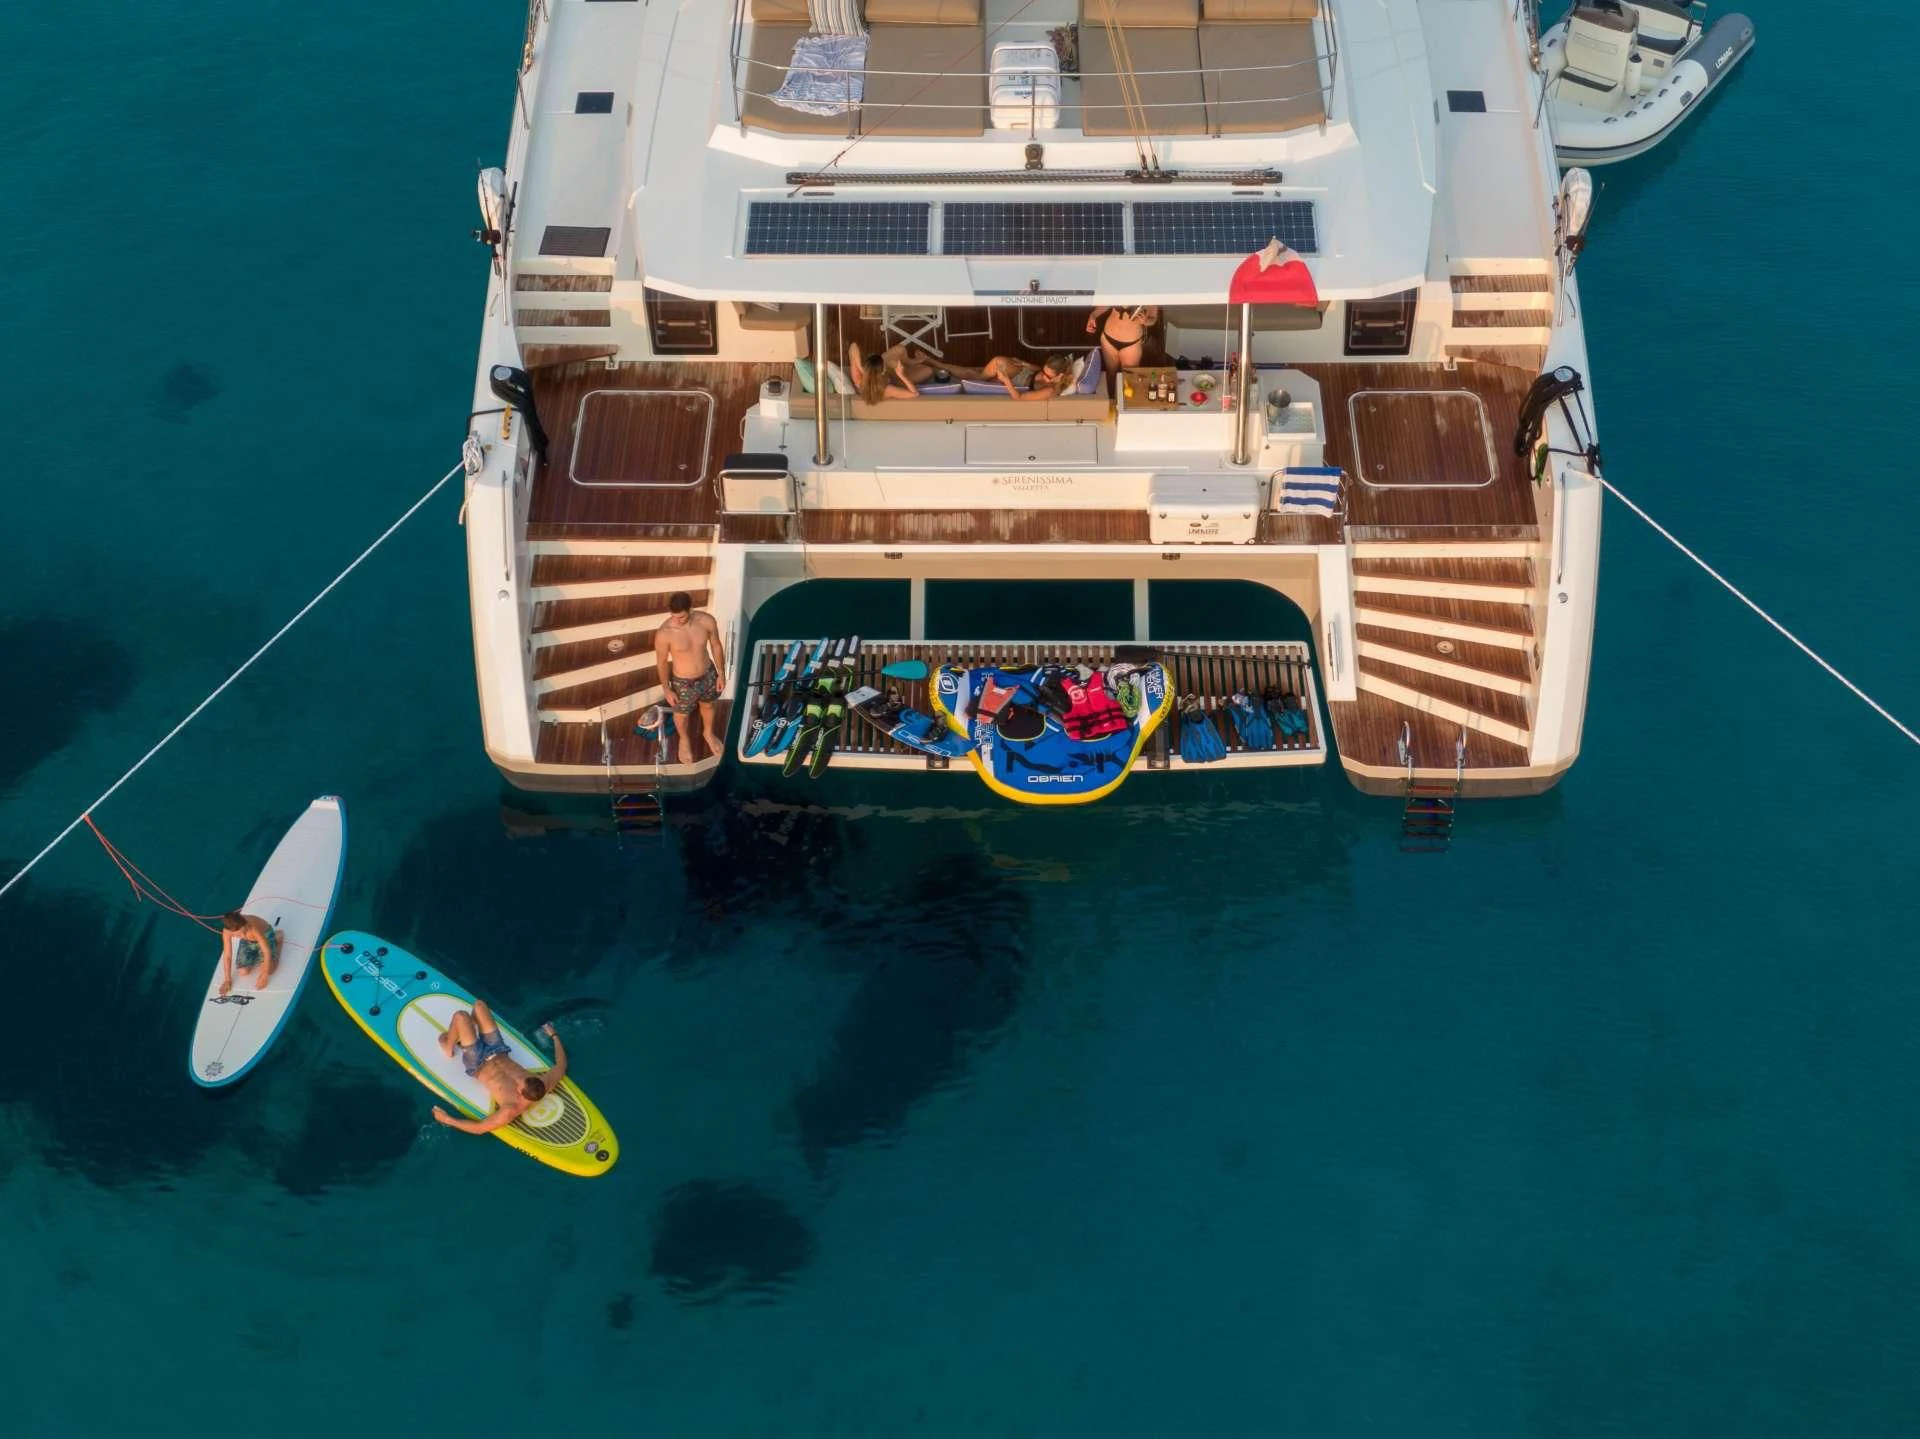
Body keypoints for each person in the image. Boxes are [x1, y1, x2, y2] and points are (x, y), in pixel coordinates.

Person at [431, 1004, 569, 1136]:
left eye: (520, 1083)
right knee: (479, 1006)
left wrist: (447, 1119)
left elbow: (479, 1129)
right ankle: (467, 1031)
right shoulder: (541, 1083)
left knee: (461, 1016)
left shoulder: (510, 1108)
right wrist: (554, 1035)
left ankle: (448, 1046)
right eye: (524, 1078)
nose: (518, 1081)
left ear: (520, 1093)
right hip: (498, 1049)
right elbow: (561, 1065)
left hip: (478, 1062)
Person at [653, 591, 726, 764]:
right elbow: (661, 663)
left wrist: (721, 674)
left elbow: (716, 645)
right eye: (673, 616)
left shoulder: (706, 621)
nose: (677, 620)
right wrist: (666, 689)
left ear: (690, 609)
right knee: (682, 714)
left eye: (681, 617)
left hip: (708, 674)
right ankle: (684, 740)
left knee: (708, 705)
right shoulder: (664, 633)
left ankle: (708, 733)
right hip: (683, 683)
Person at [216, 910, 281, 995]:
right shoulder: (226, 932)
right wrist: (227, 980)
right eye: (237, 935)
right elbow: (227, 955)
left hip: (265, 935)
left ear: (246, 925)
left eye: (244, 931)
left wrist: (264, 975)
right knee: (242, 971)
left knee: (269, 970)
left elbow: (266, 951)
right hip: (248, 941)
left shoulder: (253, 927)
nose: (242, 935)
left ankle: (278, 940)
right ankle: (257, 955)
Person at [848, 341, 934, 403]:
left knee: (900, 349)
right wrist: (901, 375)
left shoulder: (859, 380)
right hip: (898, 380)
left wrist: (862, 369)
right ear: (883, 370)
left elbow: (853, 346)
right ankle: (913, 362)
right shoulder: (886, 390)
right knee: (928, 370)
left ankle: (912, 362)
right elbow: (915, 394)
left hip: (889, 373)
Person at [1086, 304, 1160, 372]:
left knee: (1128, 377)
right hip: (1108, 340)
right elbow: (1106, 304)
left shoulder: (1148, 294)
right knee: (1111, 375)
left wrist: (1145, 321)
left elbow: (1153, 319)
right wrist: (1094, 315)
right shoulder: (1117, 292)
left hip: (1131, 345)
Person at [975, 353, 1076, 402]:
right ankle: (978, 377)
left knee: (996, 363)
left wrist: (1006, 380)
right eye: (1043, 371)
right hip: (1023, 372)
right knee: (997, 363)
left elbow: (1019, 398)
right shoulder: (1050, 374)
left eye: (1047, 376)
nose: (1043, 375)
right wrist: (1025, 364)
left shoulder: (1050, 390)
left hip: (1017, 381)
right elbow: (1038, 369)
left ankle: (977, 380)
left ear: (1060, 376)